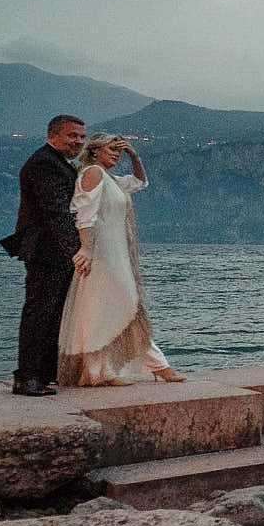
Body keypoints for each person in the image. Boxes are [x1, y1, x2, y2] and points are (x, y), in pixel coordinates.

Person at [57, 133, 185, 386]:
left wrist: (134, 156)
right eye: (111, 149)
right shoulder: (92, 173)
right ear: (95, 151)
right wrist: (86, 249)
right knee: (122, 307)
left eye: (119, 150)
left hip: (116, 252)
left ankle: (101, 372)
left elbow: (140, 181)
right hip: (102, 253)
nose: (116, 154)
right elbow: (86, 215)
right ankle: (158, 366)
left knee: (105, 310)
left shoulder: (112, 178)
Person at [1, 114, 86, 396]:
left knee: (54, 314)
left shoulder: (58, 164)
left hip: (55, 250)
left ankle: (46, 373)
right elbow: (56, 212)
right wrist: (77, 252)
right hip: (46, 250)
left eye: (81, 137)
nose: (78, 141)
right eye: (72, 135)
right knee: (40, 313)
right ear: (53, 136)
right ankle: (27, 377)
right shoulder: (44, 164)